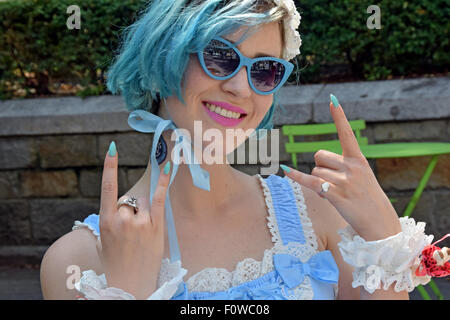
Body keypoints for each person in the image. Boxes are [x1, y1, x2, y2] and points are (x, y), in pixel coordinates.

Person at [40, 0, 437, 300]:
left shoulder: (319, 215)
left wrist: (382, 233)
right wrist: (127, 290)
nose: (241, 88)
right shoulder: (76, 261)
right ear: (161, 61)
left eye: (265, 70)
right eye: (218, 57)